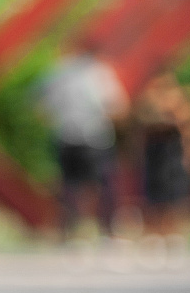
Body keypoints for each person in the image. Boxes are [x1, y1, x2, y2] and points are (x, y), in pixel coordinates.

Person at [38, 49, 129, 240]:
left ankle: (73, 230)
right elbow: (118, 106)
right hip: (93, 137)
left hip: (72, 136)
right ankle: (100, 230)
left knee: (72, 185)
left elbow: (41, 103)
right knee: (96, 186)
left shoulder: (60, 72)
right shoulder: (98, 73)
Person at [133, 71, 190, 259]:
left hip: (174, 148)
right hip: (155, 149)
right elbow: (139, 124)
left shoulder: (182, 98)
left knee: (177, 191)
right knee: (154, 192)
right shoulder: (148, 100)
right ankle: (155, 234)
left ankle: (175, 233)